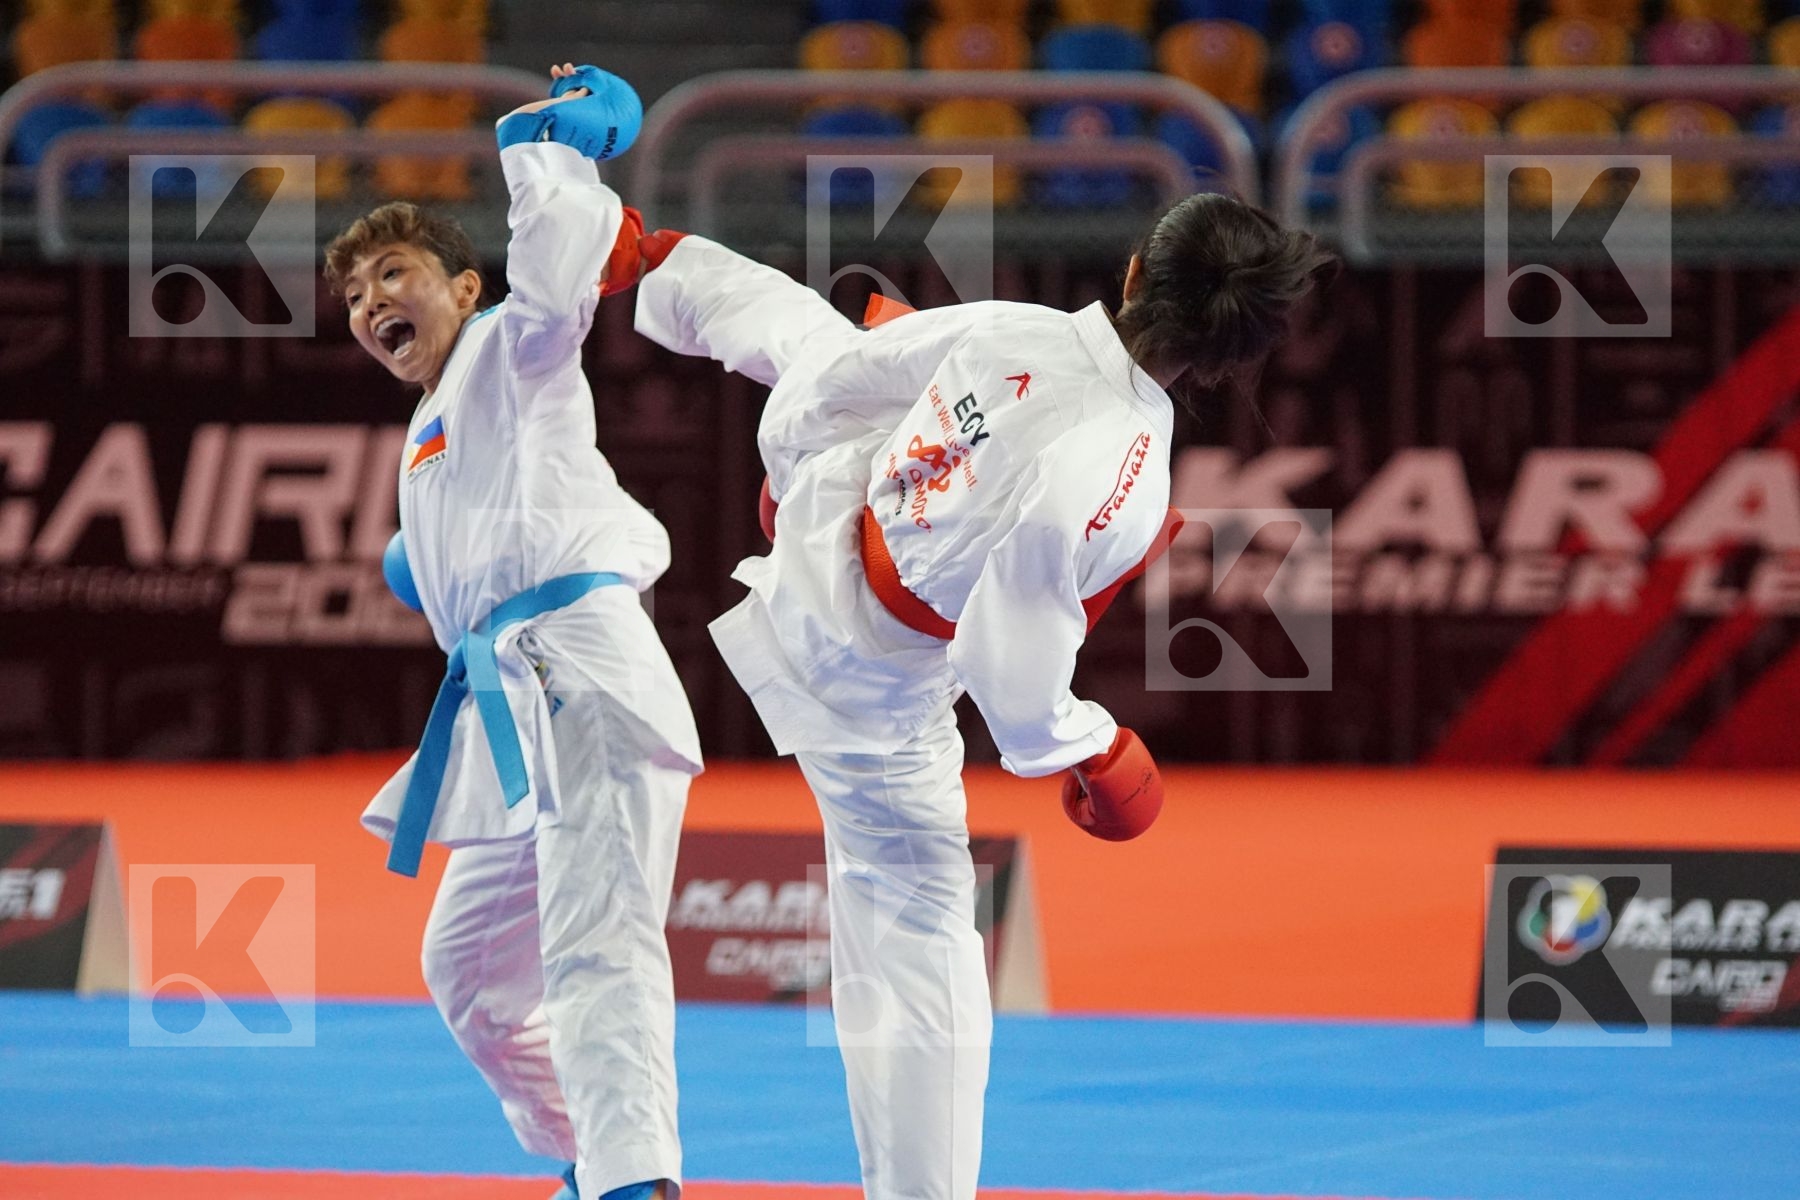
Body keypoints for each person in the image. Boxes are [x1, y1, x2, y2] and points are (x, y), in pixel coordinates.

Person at [629, 194, 1333, 1200]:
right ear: (1233, 355)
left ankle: (642, 258)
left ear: (1136, 269)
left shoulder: (1016, 327)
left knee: (813, 334)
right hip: (872, 678)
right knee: (920, 940)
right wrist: (1086, 746)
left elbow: (841, 380)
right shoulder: (1128, 480)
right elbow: (1011, 665)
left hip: (825, 532)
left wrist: (792, 480)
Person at [323, 65, 700, 1200]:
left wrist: (545, 148)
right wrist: (428, 569)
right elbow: (514, 512)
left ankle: (637, 1180)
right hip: (508, 709)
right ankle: (589, 1155)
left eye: (393, 274)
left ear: (465, 286)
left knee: (599, 938)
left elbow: (553, 292)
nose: (368, 302)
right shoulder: (436, 420)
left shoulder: (508, 346)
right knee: (471, 974)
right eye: (352, 297)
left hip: (579, 672)